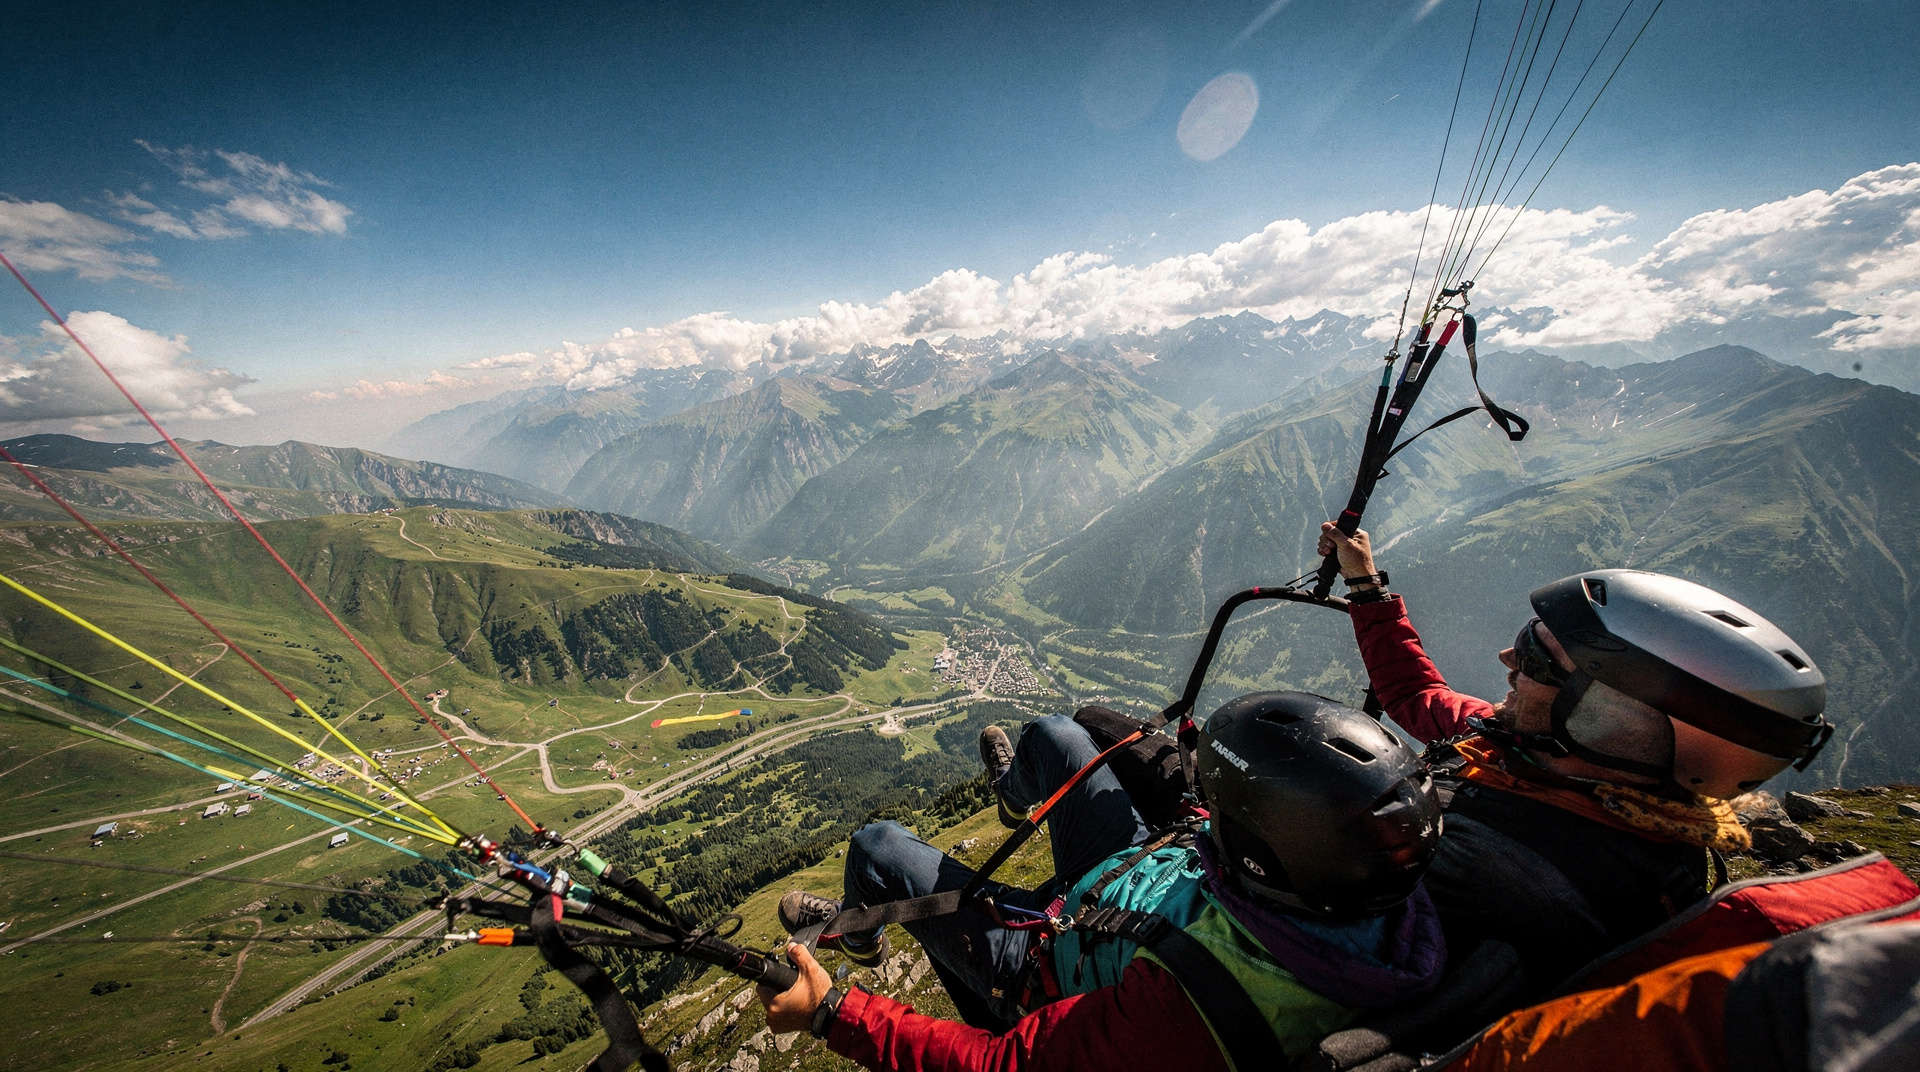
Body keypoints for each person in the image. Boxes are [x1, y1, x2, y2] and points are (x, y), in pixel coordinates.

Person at [756, 694, 1448, 1072]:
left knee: (876, 849)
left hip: (1039, 961)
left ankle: (860, 936)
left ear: (1264, 856)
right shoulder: (1371, 879)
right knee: (1055, 734)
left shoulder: (1191, 1017)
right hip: (1136, 872)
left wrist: (830, 1012)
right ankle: (1015, 797)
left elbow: (1000, 1064)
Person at [1315, 521, 1833, 1001]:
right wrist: (1366, 583)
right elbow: (1417, 693)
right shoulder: (1529, 749)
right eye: (1527, 638)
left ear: (1617, 717)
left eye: (1535, 658)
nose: (1508, 660)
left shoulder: (1505, 886)